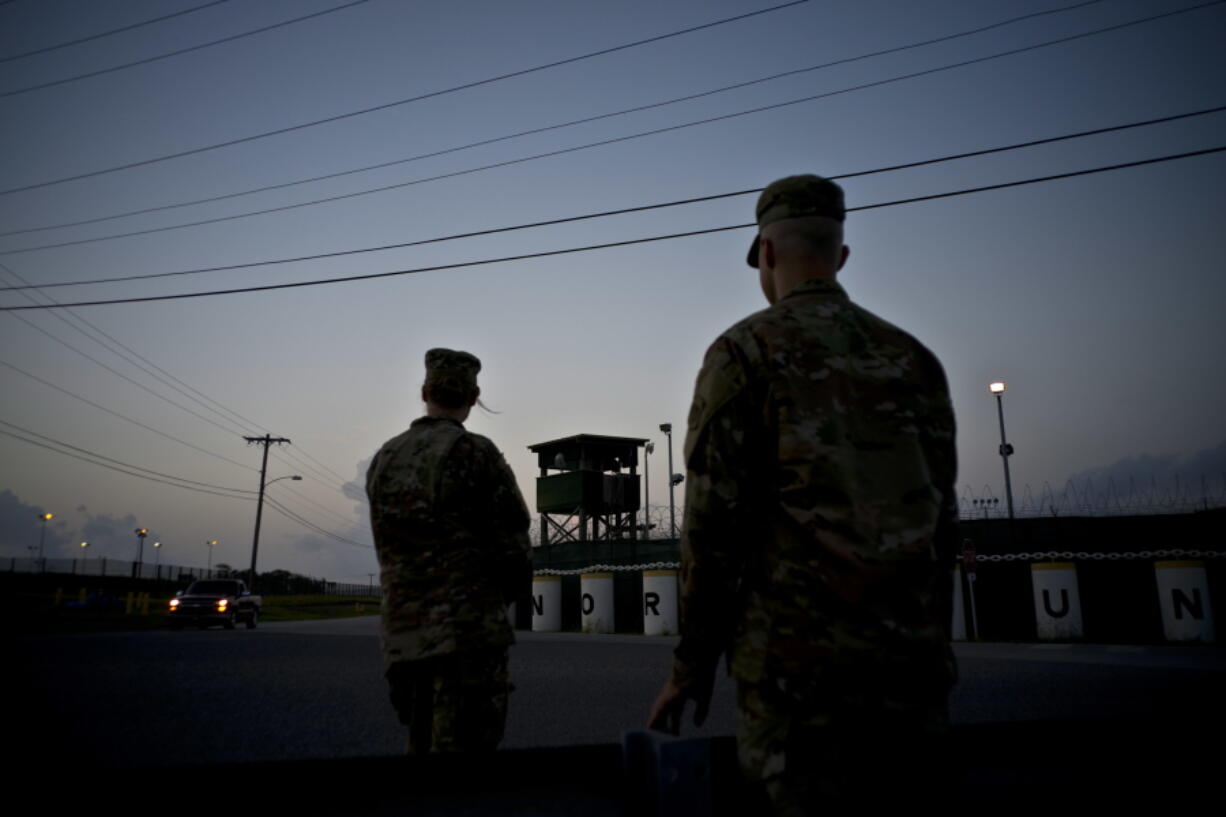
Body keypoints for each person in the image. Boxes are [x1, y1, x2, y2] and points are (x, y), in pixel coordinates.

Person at [648, 175, 958, 812]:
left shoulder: (745, 353)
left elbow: (712, 532)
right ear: (842, 255)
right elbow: (942, 525)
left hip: (798, 684)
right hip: (910, 676)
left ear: (765, 253)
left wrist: (690, 669)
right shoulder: (914, 361)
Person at [366, 348, 532, 753]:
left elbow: (385, 546)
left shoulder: (385, 457)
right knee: (465, 762)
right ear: (473, 399)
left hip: (402, 637)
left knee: (420, 748)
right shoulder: (476, 453)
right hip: (466, 637)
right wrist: (494, 599)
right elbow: (515, 547)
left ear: (424, 391)